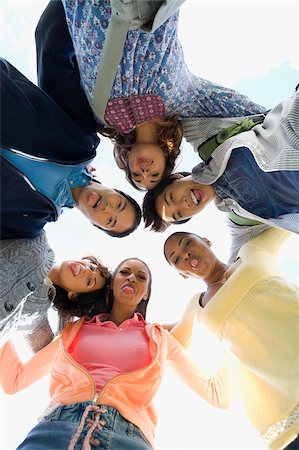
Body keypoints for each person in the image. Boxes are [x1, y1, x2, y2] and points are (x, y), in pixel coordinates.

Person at [0, 257, 231, 450]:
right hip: (55, 429)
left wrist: (235, 337)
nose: (132, 278)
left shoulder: (160, 339)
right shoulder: (74, 330)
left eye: (141, 277)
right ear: (111, 283)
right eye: (125, 272)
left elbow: (214, 392)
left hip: (127, 437)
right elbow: (15, 380)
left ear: (145, 294)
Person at [37, 0, 265, 192]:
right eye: (154, 175)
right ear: (168, 160)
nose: (144, 172)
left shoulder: (96, 120)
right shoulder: (185, 101)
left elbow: (56, 80)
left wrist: (77, 169)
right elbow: (242, 109)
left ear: (126, 162)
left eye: (137, 175)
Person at [164, 229, 299, 450]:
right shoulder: (196, 306)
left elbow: (290, 217)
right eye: (177, 259)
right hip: (286, 408)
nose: (185, 255)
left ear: (206, 240)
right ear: (182, 274)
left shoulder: (251, 251)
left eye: (187, 243)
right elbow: (168, 341)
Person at [0, 58, 142, 241]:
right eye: (119, 205)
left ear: (94, 225)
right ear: (115, 190)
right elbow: (55, 62)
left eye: (110, 220)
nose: (108, 208)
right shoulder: (82, 139)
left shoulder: (30, 223)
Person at [0, 233, 111, 352]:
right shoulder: (38, 240)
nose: (87, 270)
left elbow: (50, 353)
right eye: (92, 268)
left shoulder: (37, 314)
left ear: (73, 295)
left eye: (89, 281)